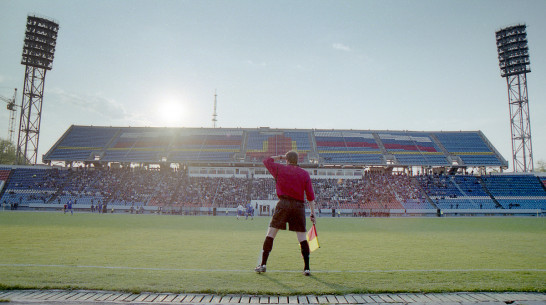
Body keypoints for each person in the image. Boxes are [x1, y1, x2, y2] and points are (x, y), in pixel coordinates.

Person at [255, 151, 316, 276]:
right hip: (298, 206)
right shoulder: (304, 174)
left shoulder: (279, 168)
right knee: (302, 238)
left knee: (271, 234)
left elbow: (266, 161)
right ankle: (307, 268)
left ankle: (263, 264)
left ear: (287, 160)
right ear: (297, 161)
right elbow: (310, 196)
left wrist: (281, 157)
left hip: (283, 204)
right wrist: (312, 213)